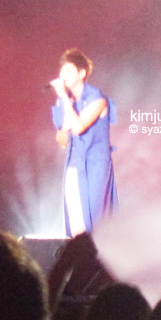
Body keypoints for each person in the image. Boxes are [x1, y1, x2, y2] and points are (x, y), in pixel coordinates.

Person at [50, 49, 118, 237]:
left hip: (94, 167)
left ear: (82, 73)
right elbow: (62, 140)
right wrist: (63, 125)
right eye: (61, 70)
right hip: (73, 165)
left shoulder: (97, 99)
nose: (63, 75)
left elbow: (79, 127)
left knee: (94, 222)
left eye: (68, 70)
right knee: (75, 223)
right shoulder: (65, 101)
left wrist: (64, 99)